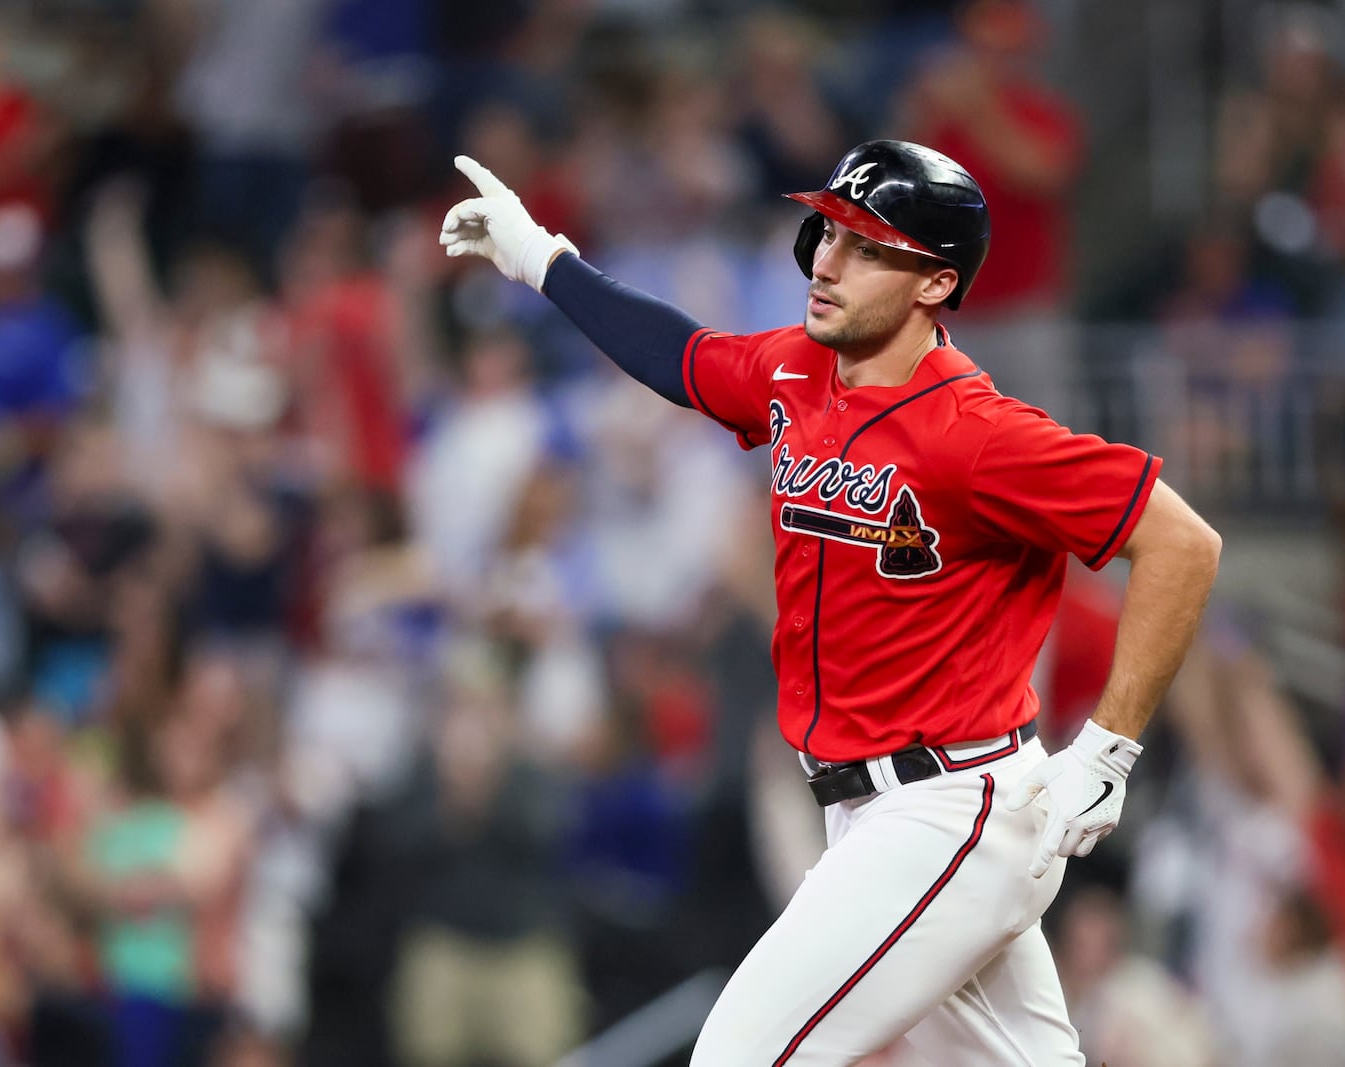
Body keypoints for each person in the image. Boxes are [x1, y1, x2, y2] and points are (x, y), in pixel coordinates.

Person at [438, 139, 1222, 1065]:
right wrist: (540, 257)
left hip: (948, 810)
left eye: (868, 245)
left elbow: (1181, 541)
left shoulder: (977, 435)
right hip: (878, 809)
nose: (827, 261)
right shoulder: (797, 371)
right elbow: (680, 358)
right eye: (828, 231)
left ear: (934, 283)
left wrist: (1112, 744)